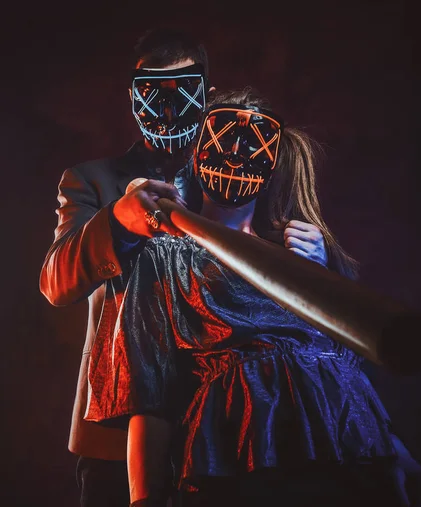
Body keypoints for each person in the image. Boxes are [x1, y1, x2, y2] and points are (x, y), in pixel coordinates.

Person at [85, 87, 421, 506]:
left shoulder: (303, 255)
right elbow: (146, 389)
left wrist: (317, 276)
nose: (237, 152)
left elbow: (349, 370)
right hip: (240, 455)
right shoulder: (164, 255)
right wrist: (145, 499)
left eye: (252, 143)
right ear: (197, 148)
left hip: (353, 450)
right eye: (225, 135)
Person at [39, 31, 329, 507]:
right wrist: (117, 221)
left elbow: (293, 270)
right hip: (122, 428)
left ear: (208, 95)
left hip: (234, 430)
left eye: (182, 94)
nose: (169, 113)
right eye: (155, 95)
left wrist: (317, 266)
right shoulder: (91, 180)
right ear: (134, 97)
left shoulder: (242, 162)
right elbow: (56, 282)